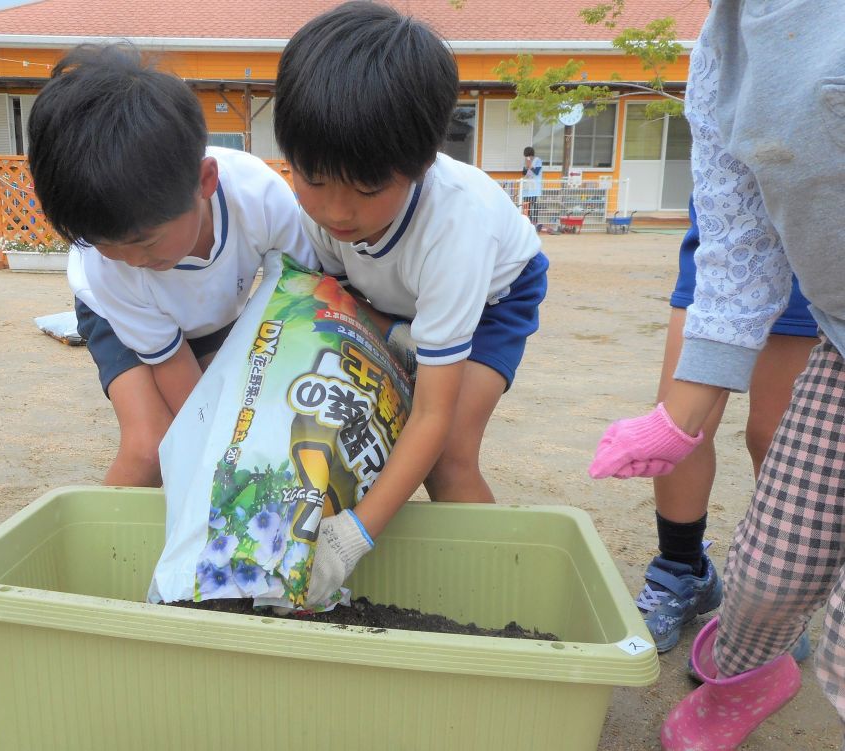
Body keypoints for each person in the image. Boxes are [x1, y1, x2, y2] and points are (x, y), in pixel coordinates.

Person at [589, 1, 845, 748]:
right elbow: (739, 246)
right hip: (838, 336)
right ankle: (741, 663)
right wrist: (676, 420)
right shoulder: (723, 44)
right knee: (766, 573)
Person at [273, 2, 549, 606]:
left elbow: (432, 417)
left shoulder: (457, 227)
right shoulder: (319, 211)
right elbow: (321, 307)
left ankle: (512, 596)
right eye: (314, 179)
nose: (338, 212)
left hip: (493, 296)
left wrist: (352, 538)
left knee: (446, 454)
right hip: (384, 295)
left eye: (367, 189)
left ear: (421, 165)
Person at [28, 44, 317, 487]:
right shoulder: (108, 270)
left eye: (144, 241)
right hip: (117, 314)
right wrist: (222, 451)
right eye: (107, 244)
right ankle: (109, 551)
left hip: (212, 310)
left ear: (205, 182)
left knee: (252, 415)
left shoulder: (259, 196)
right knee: (155, 447)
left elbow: (303, 294)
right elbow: (181, 384)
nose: (132, 260)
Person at [636, 195, 818, 653]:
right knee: (677, 425)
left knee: (779, 434)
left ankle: (775, 600)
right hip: (723, 238)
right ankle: (682, 569)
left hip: (813, 241)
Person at [520, 146, 542, 226]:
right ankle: (527, 223)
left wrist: (530, 166)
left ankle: (535, 223)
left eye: (528, 156)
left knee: (534, 204)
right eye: (527, 156)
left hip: (535, 187)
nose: (528, 157)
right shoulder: (526, 161)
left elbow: (536, 172)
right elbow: (523, 173)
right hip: (527, 187)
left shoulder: (538, 160)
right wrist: (526, 167)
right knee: (526, 205)